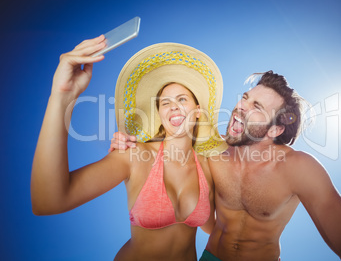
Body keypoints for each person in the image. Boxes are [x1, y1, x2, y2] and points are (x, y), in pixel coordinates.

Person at [111, 71, 341, 260]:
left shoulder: (298, 168)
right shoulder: (212, 152)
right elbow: (168, 143)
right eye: (245, 97)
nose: (240, 106)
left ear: (275, 129)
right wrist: (129, 143)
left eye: (256, 106)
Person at [31, 37, 228, 261]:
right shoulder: (135, 155)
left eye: (182, 99)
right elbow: (47, 201)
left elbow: (216, 228)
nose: (174, 106)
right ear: (161, 116)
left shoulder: (208, 165)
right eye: (165, 103)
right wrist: (62, 94)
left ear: (198, 110)